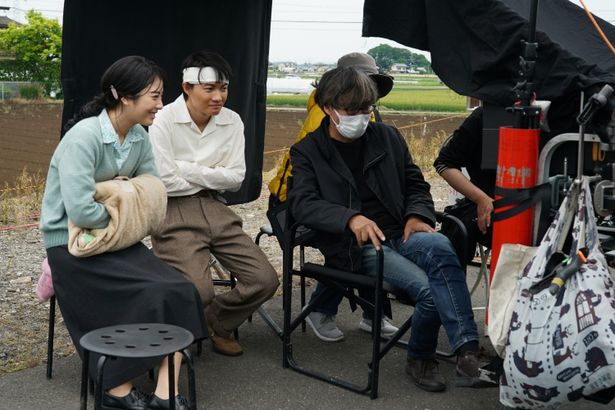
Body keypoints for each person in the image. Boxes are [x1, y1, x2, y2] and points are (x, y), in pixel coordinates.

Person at [288, 67, 496, 392]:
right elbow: (302, 203)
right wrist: (348, 218)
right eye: (351, 110)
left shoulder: (387, 136)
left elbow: (415, 182)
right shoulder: (308, 151)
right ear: (328, 107)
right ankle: (421, 358)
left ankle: (467, 353)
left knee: (442, 249)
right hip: (360, 246)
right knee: (428, 292)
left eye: (366, 109)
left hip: (403, 231)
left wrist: (417, 213)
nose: (360, 117)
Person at [40, 56, 206, 410]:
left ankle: (166, 391)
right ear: (124, 97)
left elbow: (153, 193)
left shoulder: (138, 138)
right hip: (74, 245)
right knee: (151, 290)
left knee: (179, 289)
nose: (161, 105)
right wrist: (126, 196)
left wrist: (123, 196)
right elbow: (81, 210)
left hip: (118, 239)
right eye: (155, 96)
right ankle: (117, 388)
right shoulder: (83, 138)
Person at [149, 50, 279, 357]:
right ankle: (187, 331)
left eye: (223, 88)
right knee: (199, 290)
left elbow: (236, 178)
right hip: (173, 209)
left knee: (264, 280)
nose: (218, 96)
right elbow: (165, 181)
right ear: (187, 87)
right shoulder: (164, 119)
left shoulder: (232, 121)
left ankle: (217, 322)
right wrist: (211, 174)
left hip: (216, 206)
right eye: (210, 88)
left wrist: (187, 169)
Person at [268, 52, 398, 342]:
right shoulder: (326, 115)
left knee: (372, 232)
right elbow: (312, 179)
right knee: (347, 247)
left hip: (341, 199)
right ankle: (321, 309)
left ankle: (373, 312)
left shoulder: (364, 112)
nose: (366, 96)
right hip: (295, 201)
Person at [433, 107, 494, 266]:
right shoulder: (484, 116)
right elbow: (444, 163)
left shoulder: (564, 114)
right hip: (489, 212)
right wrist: (481, 198)